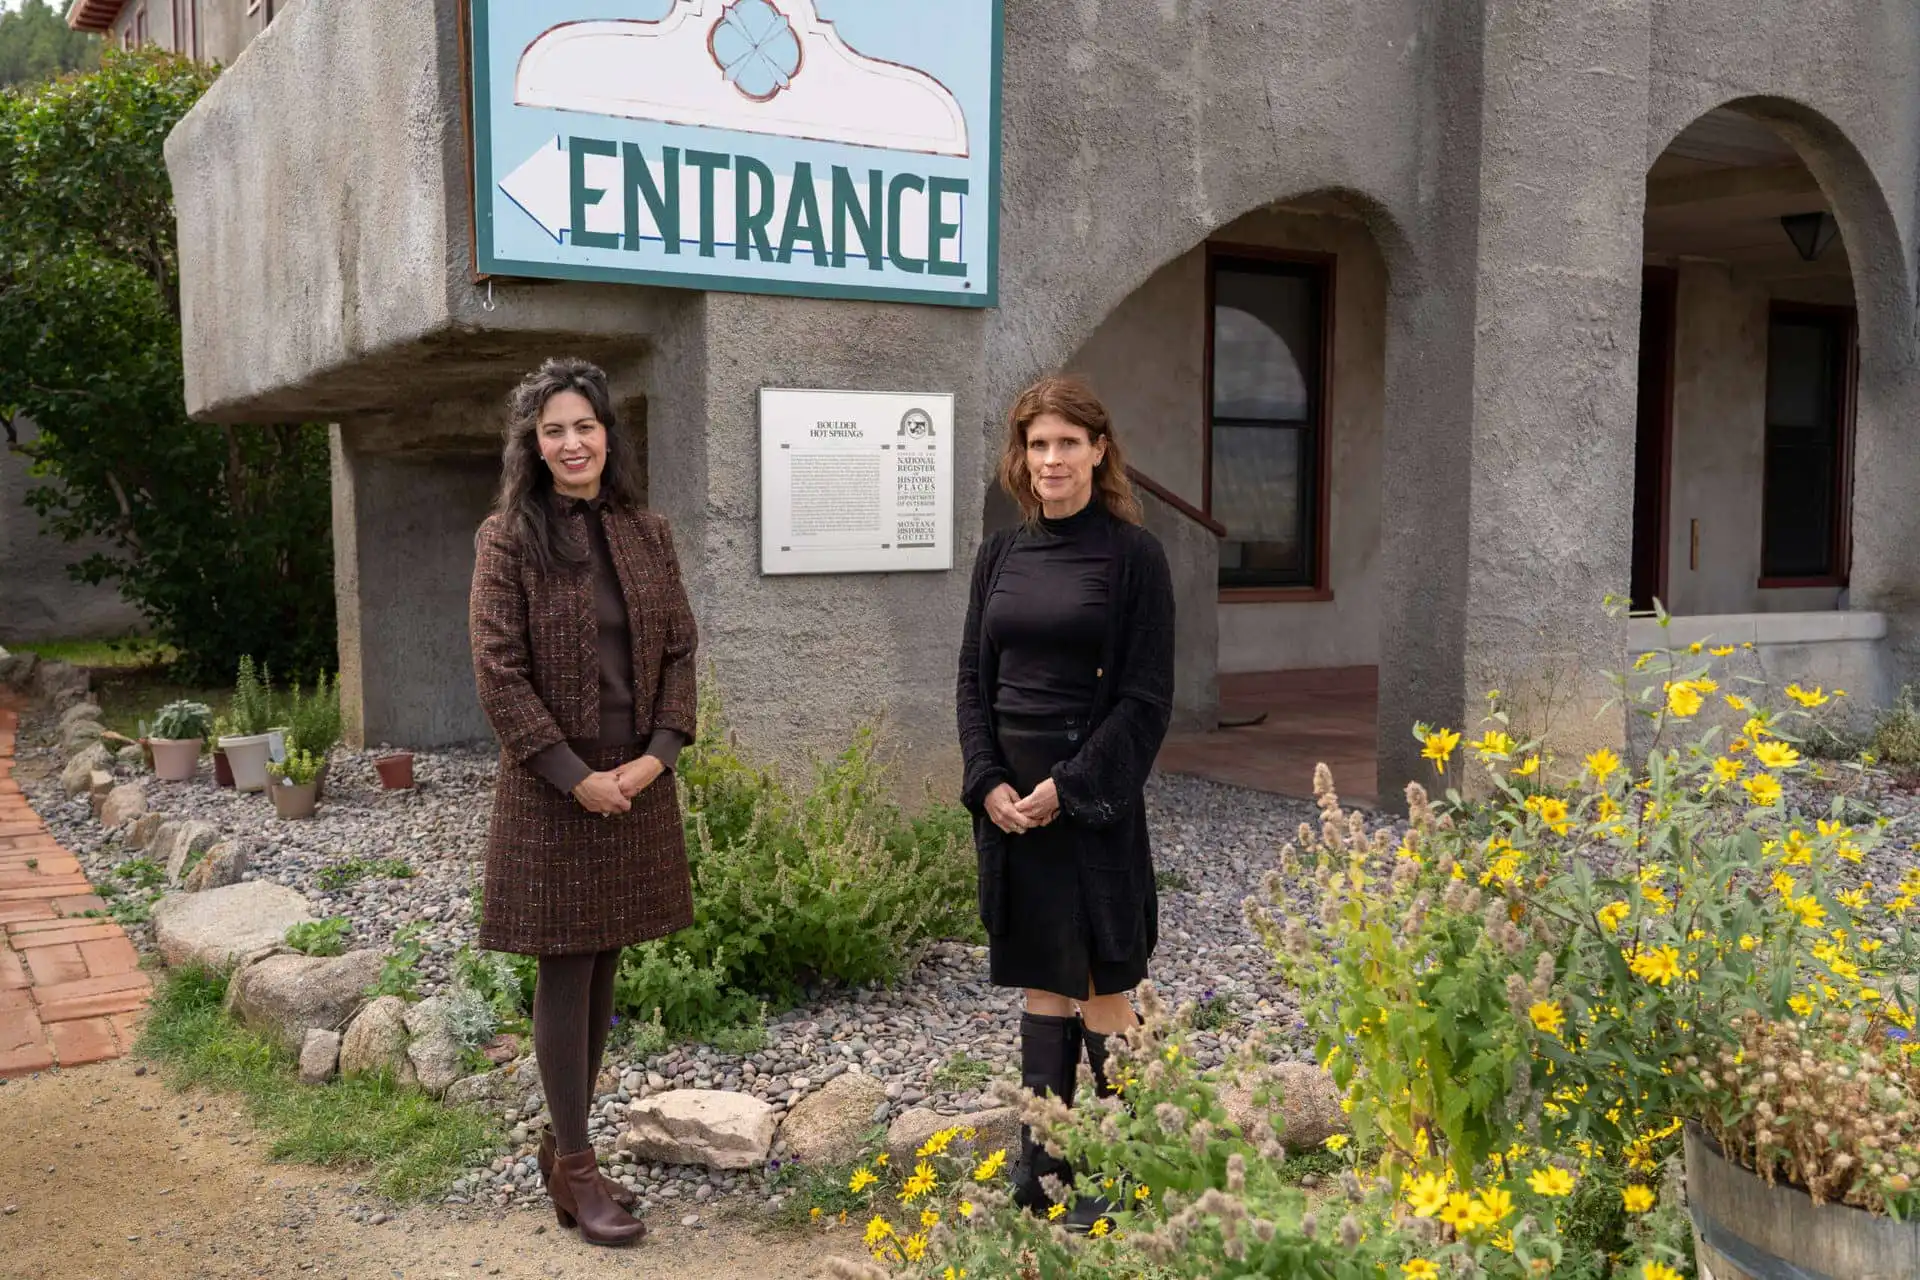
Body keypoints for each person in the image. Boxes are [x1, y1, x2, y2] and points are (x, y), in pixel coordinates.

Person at [469, 357, 699, 1247]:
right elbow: (498, 671)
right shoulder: (507, 539)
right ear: (534, 444)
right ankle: (574, 1168)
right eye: (554, 429)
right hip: (552, 787)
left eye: (586, 426)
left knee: (604, 964)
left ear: (609, 434)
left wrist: (655, 758)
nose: (573, 443)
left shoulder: (647, 530)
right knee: (566, 965)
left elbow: (680, 648)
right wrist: (576, 776)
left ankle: (567, 1150)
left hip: (635, 781)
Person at [955, 373, 1175, 1227]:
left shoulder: (1135, 558)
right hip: (1012, 813)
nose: (1052, 459)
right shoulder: (999, 556)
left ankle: (1119, 1172)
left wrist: (1069, 788)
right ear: (1023, 456)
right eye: (1037, 444)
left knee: (1102, 989)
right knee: (1041, 988)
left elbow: (1147, 699)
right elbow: (972, 683)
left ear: (1098, 451)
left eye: (1067, 444)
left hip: (1090, 812)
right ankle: (1044, 1174)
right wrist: (988, 784)